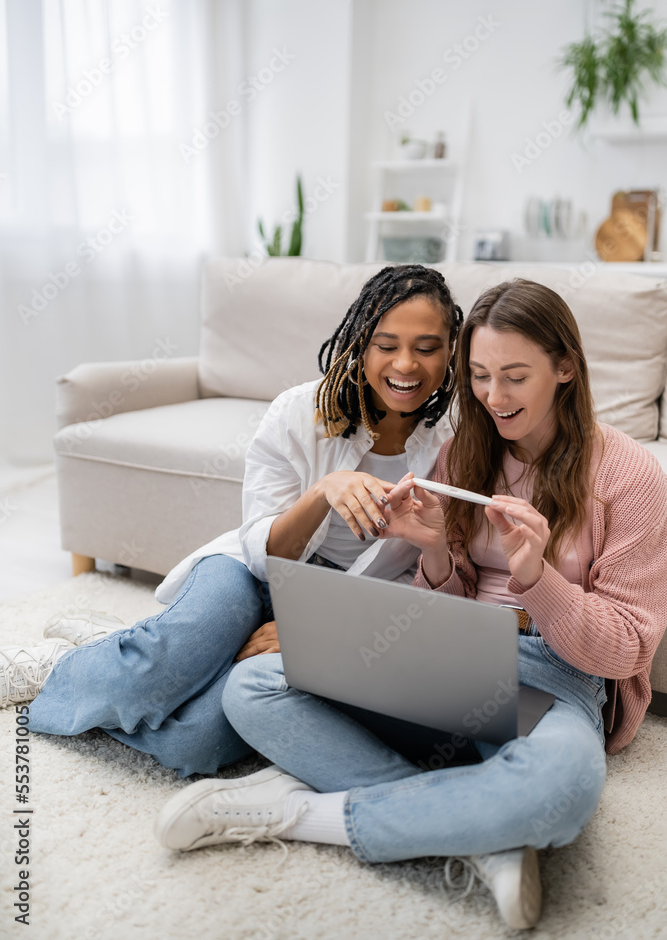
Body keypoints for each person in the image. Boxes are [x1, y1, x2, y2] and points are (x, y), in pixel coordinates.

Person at [153, 279, 667, 930]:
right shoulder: (465, 452)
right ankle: (482, 832)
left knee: (562, 788)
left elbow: (624, 648)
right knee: (252, 686)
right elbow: (440, 599)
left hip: (555, 675)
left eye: (514, 377)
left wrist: (539, 578)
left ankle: (301, 814)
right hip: (452, 651)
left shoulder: (629, 475)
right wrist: (432, 553)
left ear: (565, 367)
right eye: (478, 375)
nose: (492, 397)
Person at [0, 264, 463, 780]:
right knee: (169, 658)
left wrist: (319, 630)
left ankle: (115, 649)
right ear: (360, 343)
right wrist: (320, 493)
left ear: (450, 352)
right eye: (386, 344)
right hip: (248, 569)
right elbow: (264, 554)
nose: (406, 364)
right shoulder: (298, 412)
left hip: (340, 601)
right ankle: (65, 669)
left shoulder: (456, 444)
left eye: (426, 347)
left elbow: (424, 586)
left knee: (194, 745)